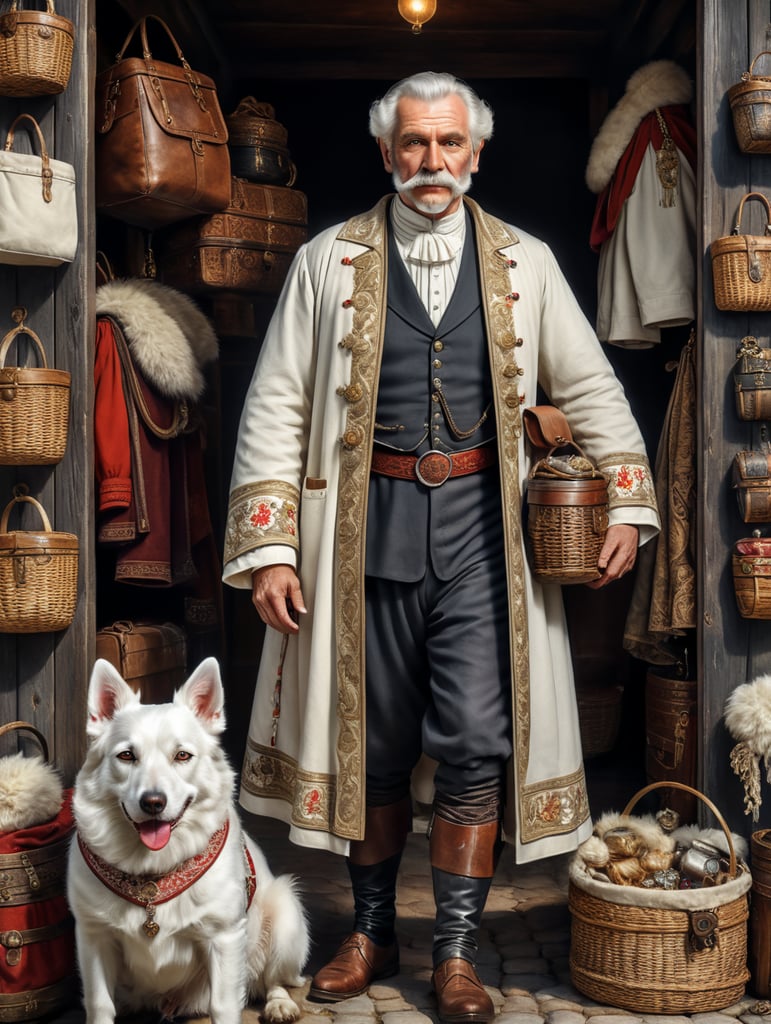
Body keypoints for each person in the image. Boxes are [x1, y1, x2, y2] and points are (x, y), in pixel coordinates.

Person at [223, 71, 660, 1024]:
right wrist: (268, 547)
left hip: (480, 541)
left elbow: (586, 386)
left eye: (449, 144)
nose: (432, 162)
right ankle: (371, 933)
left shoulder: (527, 263)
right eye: (414, 145)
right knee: (369, 748)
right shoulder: (326, 260)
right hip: (358, 538)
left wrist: (625, 501)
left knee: (470, 744)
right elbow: (276, 402)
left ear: (476, 153)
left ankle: (456, 952)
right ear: (386, 153)